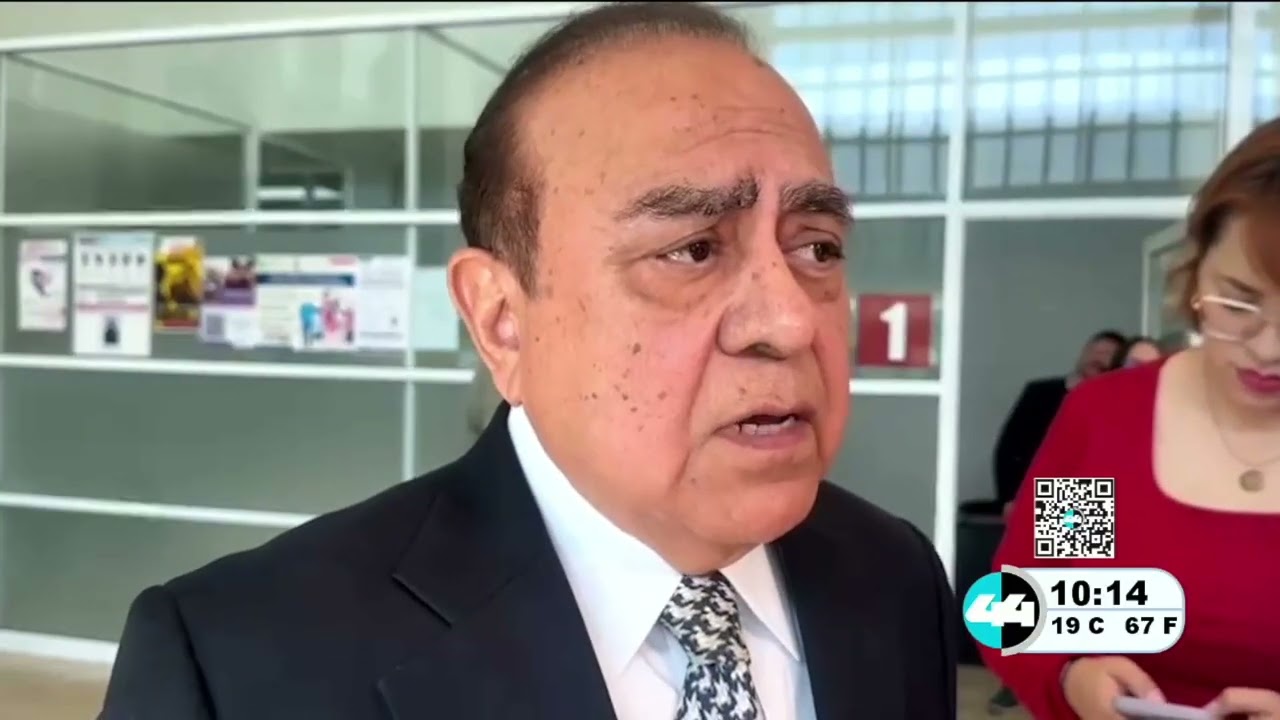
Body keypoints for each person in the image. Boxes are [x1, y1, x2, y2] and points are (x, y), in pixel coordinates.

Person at [100, 4, 956, 719]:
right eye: (693, 249)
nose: (791, 319)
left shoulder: (896, 576)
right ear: (502, 321)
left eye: (817, 247)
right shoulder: (235, 665)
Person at [983, 118, 1280, 718]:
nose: (1269, 347)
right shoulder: (1111, 421)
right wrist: (1071, 675)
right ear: (1195, 269)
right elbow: (1022, 606)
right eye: (1238, 301)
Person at [993, 329, 1124, 515]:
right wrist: (1009, 498)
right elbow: (1009, 448)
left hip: (1087, 495)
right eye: (1095, 351)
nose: (1098, 358)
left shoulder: (1115, 403)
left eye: (1107, 354)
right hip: (1032, 493)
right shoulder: (1039, 393)